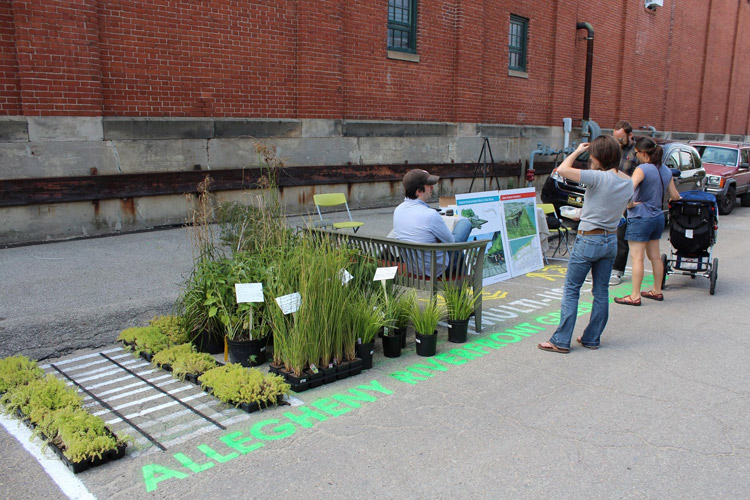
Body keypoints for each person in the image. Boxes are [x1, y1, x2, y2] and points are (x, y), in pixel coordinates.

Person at [538, 136, 633, 353]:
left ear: (600, 157)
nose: (590, 158)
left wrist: (576, 150)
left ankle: (560, 341)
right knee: (601, 291)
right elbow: (625, 205)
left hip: (589, 238)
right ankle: (592, 337)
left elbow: (561, 169)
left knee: (572, 290)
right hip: (610, 239)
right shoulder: (627, 181)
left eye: (592, 155)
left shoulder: (598, 177)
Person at [615, 137, 680, 306]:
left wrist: (629, 205)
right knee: (655, 257)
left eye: (636, 153)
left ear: (644, 153)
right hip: (658, 216)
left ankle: (634, 295)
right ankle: (656, 290)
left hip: (640, 216)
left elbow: (629, 189)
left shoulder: (642, 169)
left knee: (637, 258)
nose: (636, 156)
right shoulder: (666, 170)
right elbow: (675, 196)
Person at [393, 168, 471, 276]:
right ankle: (458, 291)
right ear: (419, 191)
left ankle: (457, 291)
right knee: (465, 223)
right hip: (436, 270)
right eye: (429, 185)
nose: (432, 188)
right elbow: (451, 243)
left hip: (413, 267)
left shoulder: (398, 210)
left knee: (459, 255)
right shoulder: (431, 215)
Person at [610, 120, 640, 285]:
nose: (618, 142)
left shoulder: (637, 152)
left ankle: (617, 271)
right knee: (606, 234)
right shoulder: (614, 149)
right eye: (616, 139)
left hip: (629, 197)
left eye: (621, 139)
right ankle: (603, 269)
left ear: (630, 135)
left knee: (621, 236)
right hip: (611, 195)